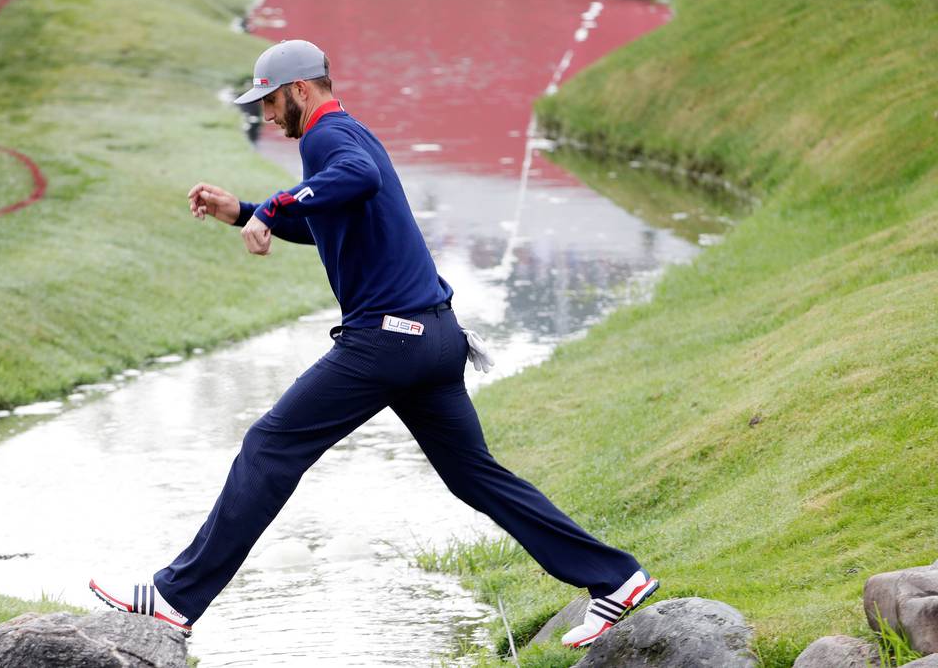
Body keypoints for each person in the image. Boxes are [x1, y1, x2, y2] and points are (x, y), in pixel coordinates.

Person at [89, 39, 658, 648]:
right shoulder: (348, 133)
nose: (267, 114)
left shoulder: (328, 140)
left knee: (269, 447)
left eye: (272, 101)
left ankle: (175, 599)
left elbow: (351, 180)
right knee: (474, 475)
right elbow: (329, 214)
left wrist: (275, 203)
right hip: (434, 336)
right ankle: (617, 578)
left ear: (301, 90)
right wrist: (246, 212)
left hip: (388, 341)